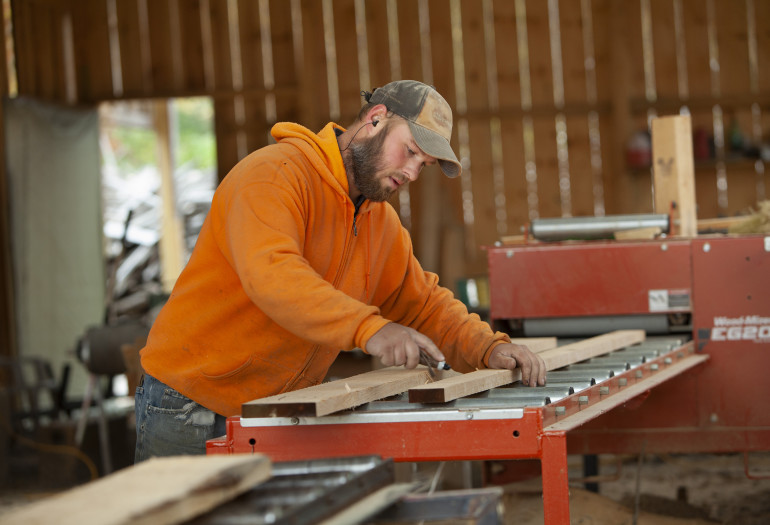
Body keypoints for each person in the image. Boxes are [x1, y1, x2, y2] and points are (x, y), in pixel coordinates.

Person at [134, 80, 546, 462]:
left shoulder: (380, 224)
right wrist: (371, 329)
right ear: (376, 118)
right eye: (410, 151)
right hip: (190, 401)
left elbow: (423, 305)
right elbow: (274, 277)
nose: (412, 172)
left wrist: (487, 348)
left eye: (425, 165)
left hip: (273, 410)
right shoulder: (274, 176)